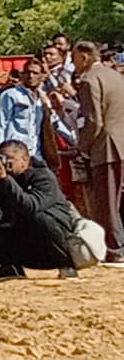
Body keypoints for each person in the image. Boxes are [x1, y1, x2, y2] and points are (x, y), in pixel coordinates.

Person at [0, 140, 83, 281]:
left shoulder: (44, 177)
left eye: (9, 159)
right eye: (0, 158)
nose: (4, 163)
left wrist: (5, 180)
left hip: (55, 244)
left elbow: (29, 206)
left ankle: (66, 265)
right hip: (23, 244)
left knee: (39, 217)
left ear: (24, 160)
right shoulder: (1, 179)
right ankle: (11, 267)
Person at [70, 40, 124, 263]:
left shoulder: (89, 81)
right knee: (118, 199)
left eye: (74, 59)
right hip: (122, 142)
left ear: (84, 57)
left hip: (106, 147)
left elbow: (94, 122)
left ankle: (115, 248)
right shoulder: (116, 77)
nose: (73, 65)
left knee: (106, 201)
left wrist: (82, 148)